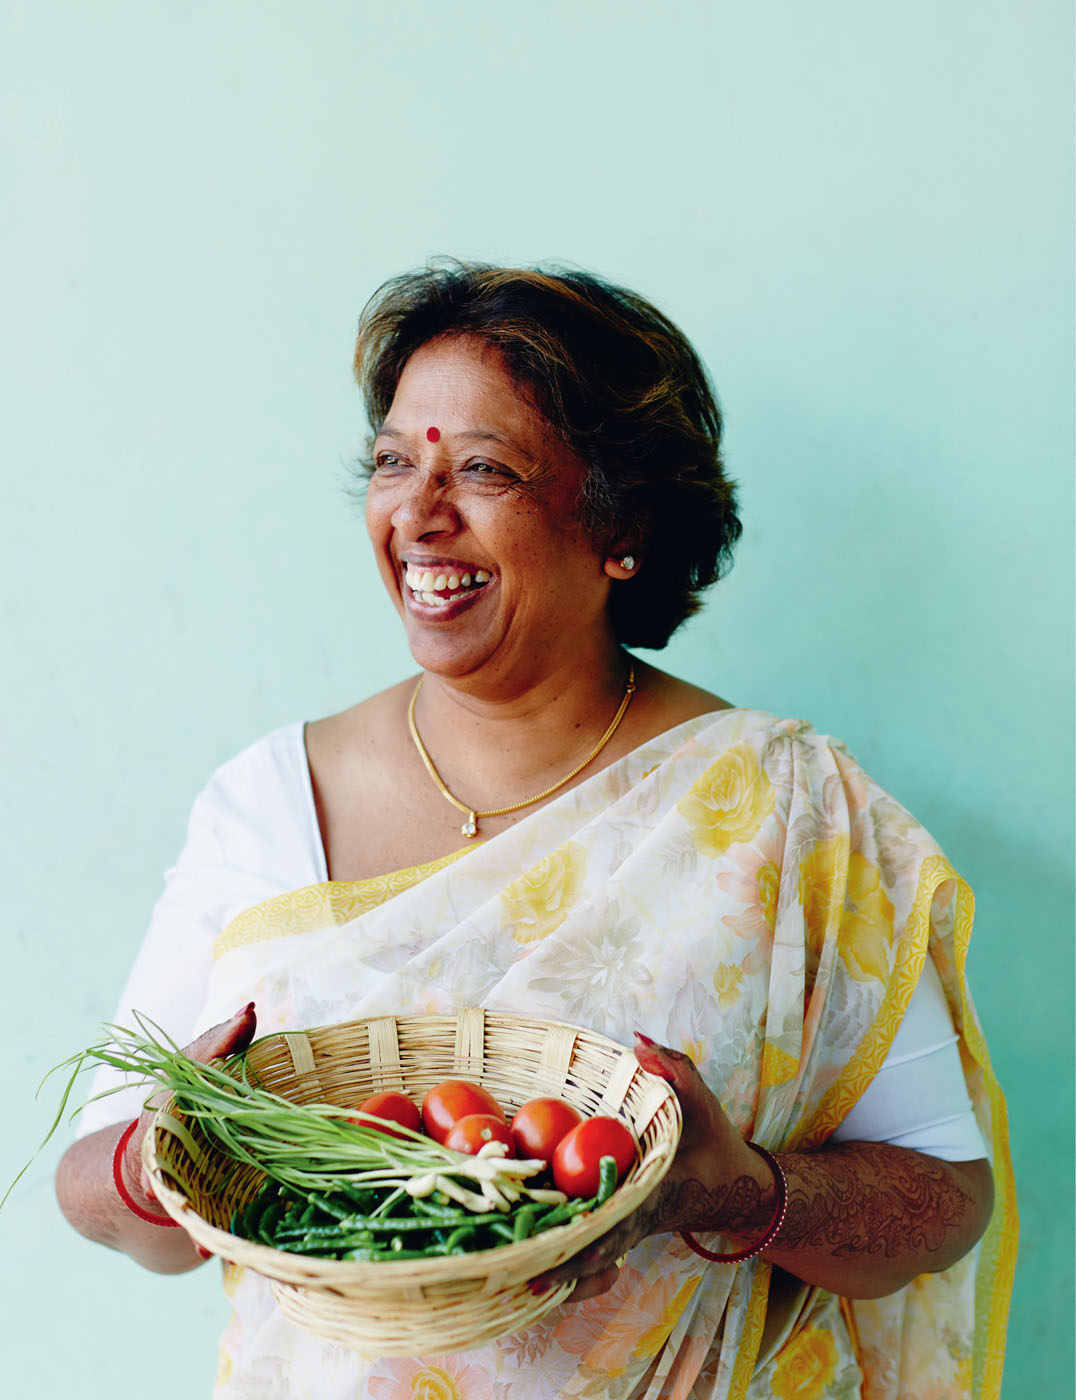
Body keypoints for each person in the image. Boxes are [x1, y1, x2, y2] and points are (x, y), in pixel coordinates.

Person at [56, 263, 1015, 1399]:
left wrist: (735, 1191)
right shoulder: (269, 799)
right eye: (394, 463)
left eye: (482, 469)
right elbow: (112, 1201)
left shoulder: (780, 804)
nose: (416, 515)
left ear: (622, 528)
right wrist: (169, 1151)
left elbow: (942, 1200)